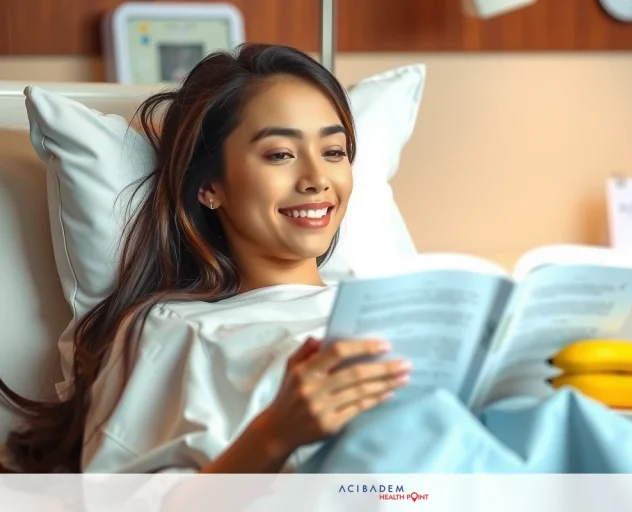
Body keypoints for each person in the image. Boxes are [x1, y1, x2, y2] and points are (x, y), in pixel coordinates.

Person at [0, 43, 412, 474]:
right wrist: (275, 434)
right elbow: (130, 501)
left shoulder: (392, 307)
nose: (317, 180)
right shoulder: (175, 333)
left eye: (334, 152)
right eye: (280, 154)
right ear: (210, 187)